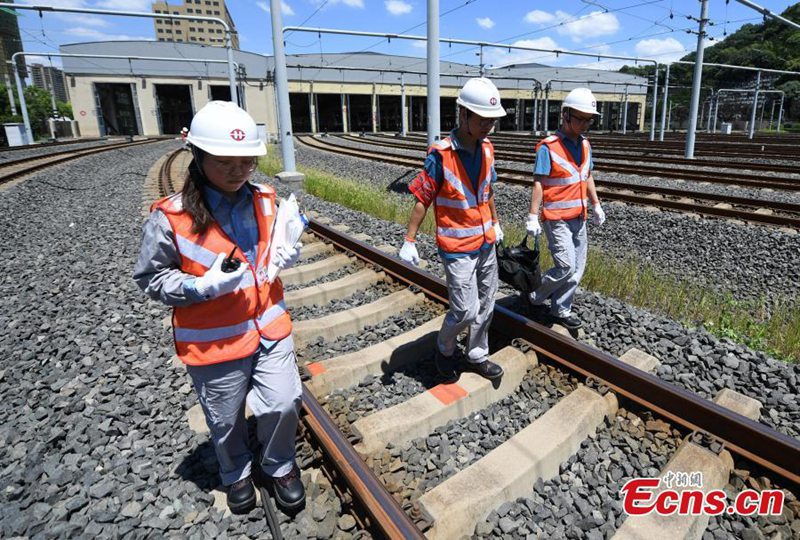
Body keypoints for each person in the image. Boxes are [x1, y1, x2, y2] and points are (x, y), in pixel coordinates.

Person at [133, 101, 305, 514]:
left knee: (284, 401)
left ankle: (279, 463)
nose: (239, 170)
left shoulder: (265, 197)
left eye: (247, 161)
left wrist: (286, 250)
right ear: (198, 155)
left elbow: (267, 251)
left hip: (268, 324)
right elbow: (151, 279)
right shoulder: (171, 217)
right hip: (216, 342)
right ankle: (236, 472)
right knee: (225, 418)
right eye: (226, 162)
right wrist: (201, 286)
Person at [399, 77, 506, 383]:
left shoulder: (487, 150)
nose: (487, 126)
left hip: (485, 242)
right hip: (457, 248)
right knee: (465, 310)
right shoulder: (441, 154)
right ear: (463, 114)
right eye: (482, 120)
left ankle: (476, 354)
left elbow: (488, 191)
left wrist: (496, 223)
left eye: (492, 121)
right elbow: (422, 198)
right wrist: (410, 240)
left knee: (487, 303)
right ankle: (445, 348)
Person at [525, 87, 606, 330]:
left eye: (588, 120)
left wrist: (596, 204)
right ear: (566, 115)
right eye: (579, 118)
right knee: (566, 265)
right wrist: (532, 215)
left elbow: (587, 175)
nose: (584, 124)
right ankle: (537, 295)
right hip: (556, 218)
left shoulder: (585, 145)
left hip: (579, 217)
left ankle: (561, 308)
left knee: (578, 268)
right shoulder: (548, 147)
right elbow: (539, 182)